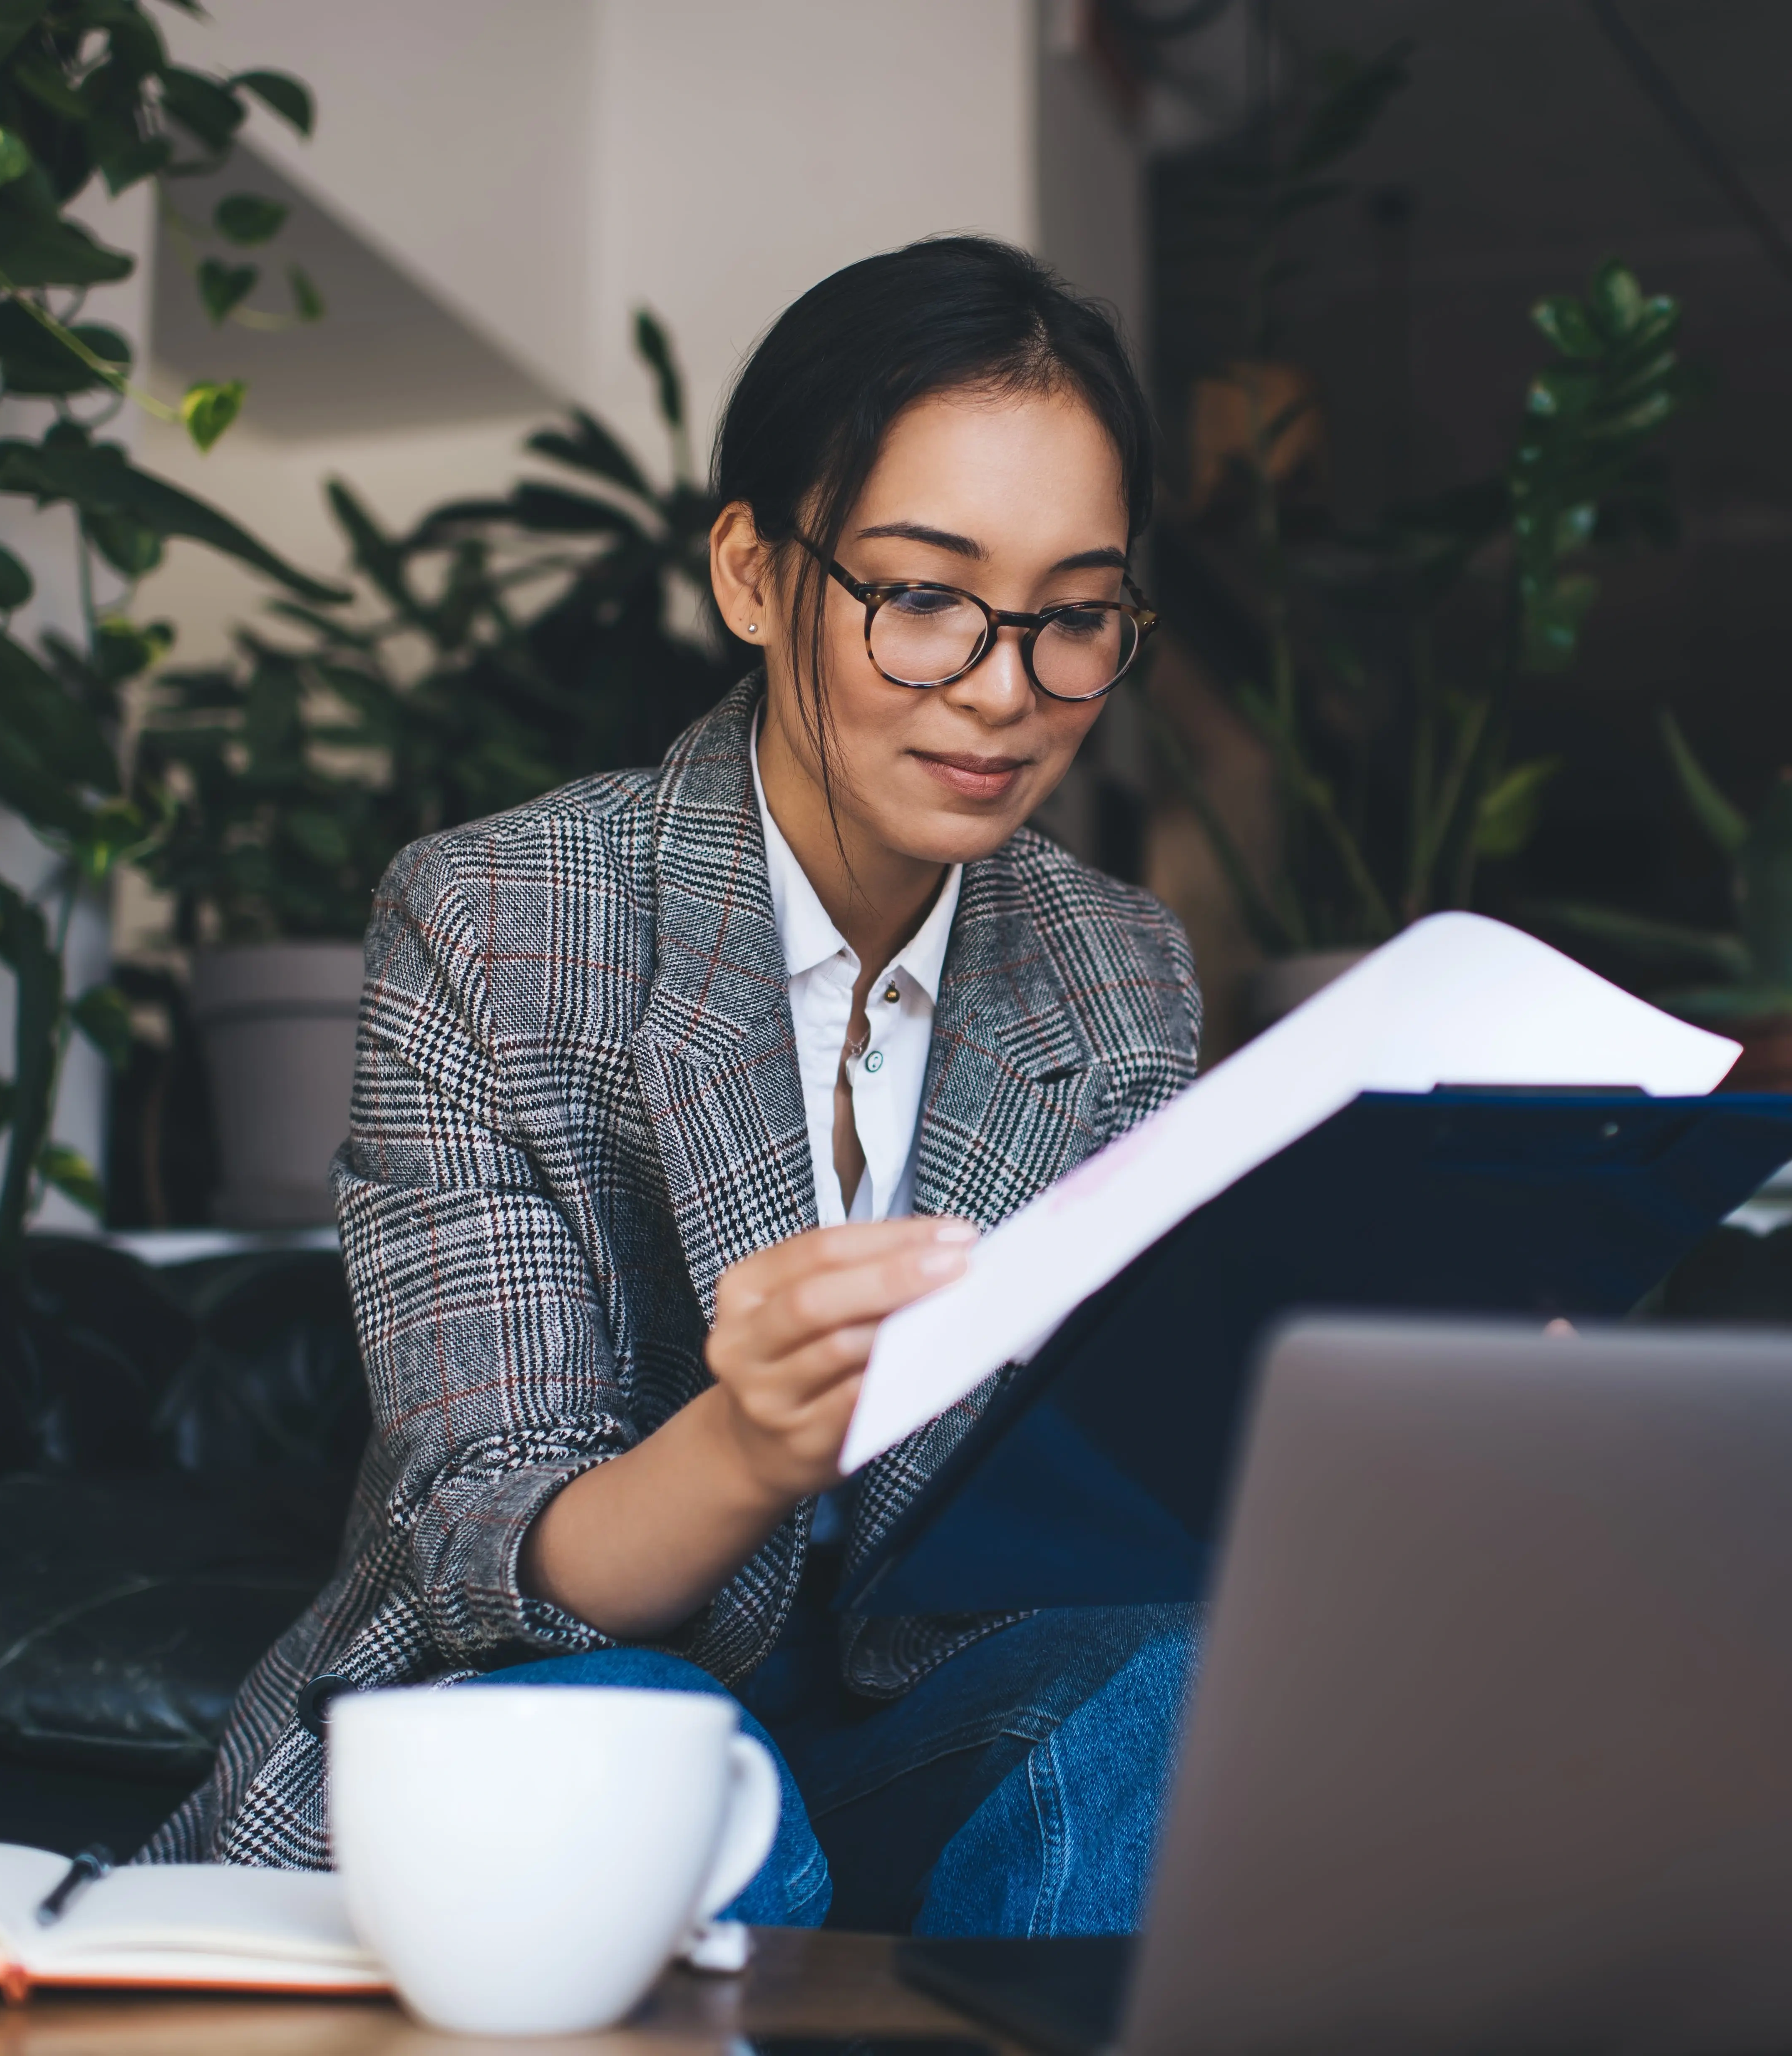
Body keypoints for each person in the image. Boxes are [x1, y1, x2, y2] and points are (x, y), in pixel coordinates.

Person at [151, 237, 1203, 1938]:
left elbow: (1096, 1509)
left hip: (913, 1722)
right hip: (561, 1686)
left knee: (1170, 1686)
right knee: (660, 1756)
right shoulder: (492, 919)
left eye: (1073, 616)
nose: (1007, 691)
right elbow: (489, 1551)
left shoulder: (1116, 971)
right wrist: (752, 1438)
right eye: (924, 594)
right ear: (751, 571)